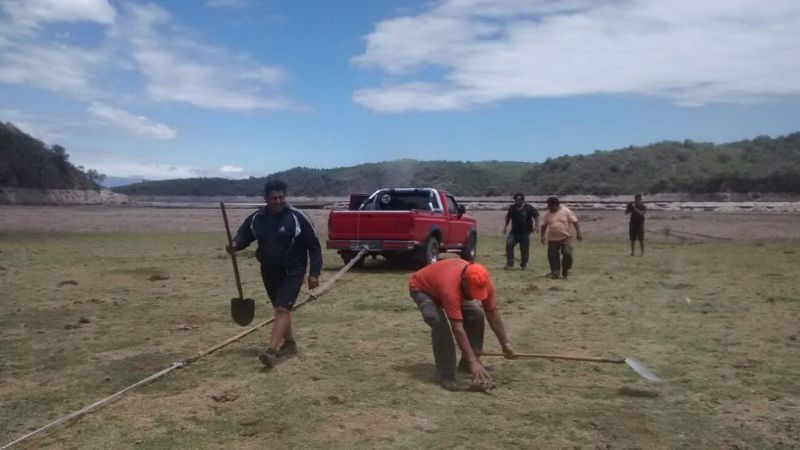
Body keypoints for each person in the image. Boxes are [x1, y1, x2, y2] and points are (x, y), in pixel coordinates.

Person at [228, 180, 322, 368]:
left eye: (281, 197)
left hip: (293, 270)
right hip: (268, 271)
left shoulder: (297, 217)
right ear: (266, 198)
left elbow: (314, 245)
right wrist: (235, 244)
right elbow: (245, 235)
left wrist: (314, 273)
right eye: (274, 198)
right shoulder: (257, 218)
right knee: (280, 308)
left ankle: (271, 351)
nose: (278, 201)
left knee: (282, 309)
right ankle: (289, 344)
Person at [409, 259, 516, 391]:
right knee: (439, 323)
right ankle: (447, 375)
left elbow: (492, 313)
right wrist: (474, 362)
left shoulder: (483, 281)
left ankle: (467, 363)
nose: (474, 296)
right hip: (423, 289)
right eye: (472, 291)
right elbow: (457, 328)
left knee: (476, 313)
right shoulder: (450, 287)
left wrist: (505, 344)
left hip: (445, 286)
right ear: (464, 282)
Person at [540, 197, 582, 279]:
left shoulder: (566, 211)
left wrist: (578, 232)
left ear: (556, 205)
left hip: (566, 237)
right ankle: (555, 272)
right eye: (548, 206)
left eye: (551, 206)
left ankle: (565, 270)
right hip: (552, 239)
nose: (549, 208)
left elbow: (575, 221)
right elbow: (544, 225)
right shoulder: (548, 214)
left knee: (567, 253)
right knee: (552, 256)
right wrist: (542, 236)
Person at [502, 192, 539, 270]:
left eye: (519, 199)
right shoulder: (512, 208)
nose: (517, 201)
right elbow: (508, 217)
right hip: (514, 232)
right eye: (516, 200)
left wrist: (536, 226)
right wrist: (505, 227)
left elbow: (536, 215)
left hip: (525, 232)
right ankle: (510, 263)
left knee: (524, 248)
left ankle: (524, 264)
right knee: (509, 244)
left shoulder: (529, 207)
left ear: (523, 200)